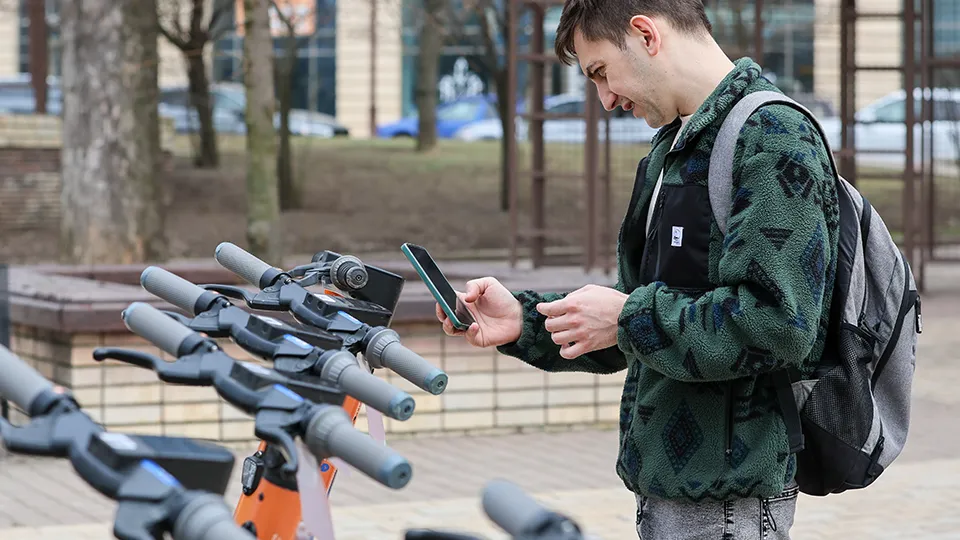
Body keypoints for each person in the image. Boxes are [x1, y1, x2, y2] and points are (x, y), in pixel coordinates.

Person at [435, 0, 840, 538]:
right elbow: (633, 319)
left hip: (730, 498)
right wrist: (524, 322)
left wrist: (628, 316)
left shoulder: (774, 137)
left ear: (646, 34)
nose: (604, 99)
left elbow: (778, 324)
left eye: (600, 72)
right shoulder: (672, 146)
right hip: (663, 487)